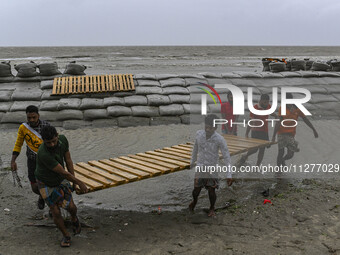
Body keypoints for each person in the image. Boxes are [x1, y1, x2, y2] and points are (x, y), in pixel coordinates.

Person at [35, 126, 88, 247]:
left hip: (60, 180)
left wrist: (74, 182)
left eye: (54, 141)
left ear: (57, 135)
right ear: (43, 141)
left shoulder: (63, 140)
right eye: (48, 143)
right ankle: (66, 235)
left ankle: (74, 219)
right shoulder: (43, 153)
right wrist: (79, 182)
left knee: (71, 207)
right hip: (45, 182)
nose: (52, 144)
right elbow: (63, 172)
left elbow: (68, 160)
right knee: (55, 211)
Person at [189, 114, 233, 217]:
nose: (208, 129)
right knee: (196, 189)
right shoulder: (199, 135)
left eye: (211, 128)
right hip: (200, 165)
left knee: (211, 190)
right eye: (206, 127)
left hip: (212, 167)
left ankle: (212, 207)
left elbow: (226, 156)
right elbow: (195, 148)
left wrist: (229, 174)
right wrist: (192, 161)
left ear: (216, 127)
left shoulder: (219, 139)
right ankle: (194, 201)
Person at [11, 105, 50, 209]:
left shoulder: (46, 126)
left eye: (34, 117)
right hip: (32, 160)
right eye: (29, 118)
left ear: (38, 116)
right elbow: (18, 144)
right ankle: (43, 197)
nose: (31, 120)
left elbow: (54, 143)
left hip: (46, 161)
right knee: (34, 187)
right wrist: (13, 161)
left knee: (47, 184)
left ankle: (51, 204)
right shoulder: (23, 128)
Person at [272, 93, 318, 167]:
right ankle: (278, 170)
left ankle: (283, 160)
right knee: (281, 152)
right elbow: (278, 122)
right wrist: (274, 135)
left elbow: (305, 119)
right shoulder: (282, 108)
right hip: (281, 133)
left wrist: (313, 129)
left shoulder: (297, 109)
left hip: (291, 134)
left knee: (290, 154)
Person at [238, 94, 276, 166]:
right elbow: (251, 121)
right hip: (256, 131)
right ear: (260, 101)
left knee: (262, 150)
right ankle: (245, 156)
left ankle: (257, 166)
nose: (266, 104)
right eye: (265, 102)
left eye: (267, 102)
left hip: (265, 131)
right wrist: (246, 133)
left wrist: (276, 116)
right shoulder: (255, 108)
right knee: (255, 149)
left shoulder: (268, 106)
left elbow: (271, 112)